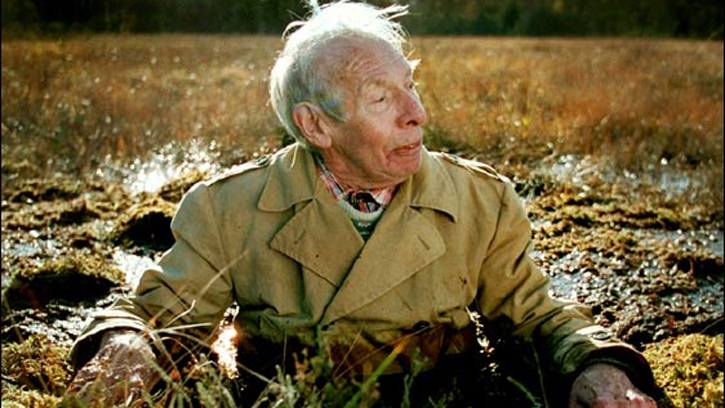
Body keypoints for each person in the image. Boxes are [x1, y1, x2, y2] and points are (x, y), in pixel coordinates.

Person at [64, 1, 659, 407]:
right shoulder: (230, 209)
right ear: (316, 126)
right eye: (381, 98)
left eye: (410, 86)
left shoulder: (481, 200)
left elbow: (536, 319)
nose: (416, 113)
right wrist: (126, 348)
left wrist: (598, 368)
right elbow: (159, 318)